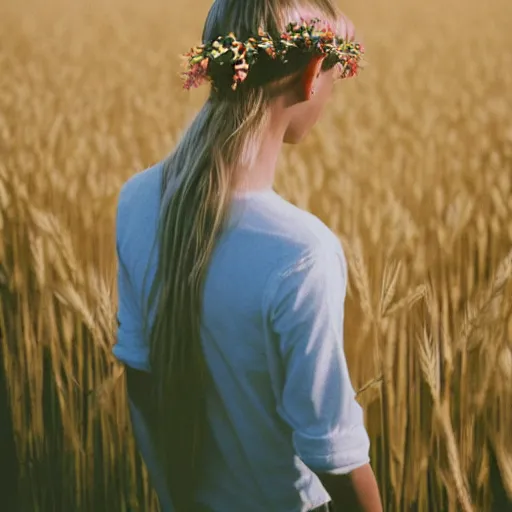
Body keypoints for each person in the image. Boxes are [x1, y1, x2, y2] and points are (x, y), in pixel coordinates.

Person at [113, 1, 383, 511]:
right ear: (309, 75)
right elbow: (335, 455)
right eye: (335, 73)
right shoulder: (303, 254)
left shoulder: (137, 200)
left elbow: (142, 383)